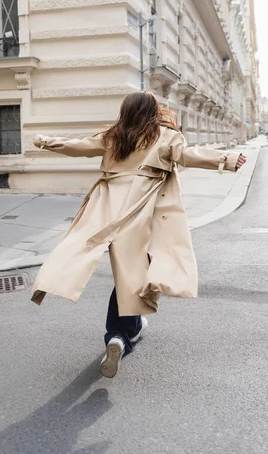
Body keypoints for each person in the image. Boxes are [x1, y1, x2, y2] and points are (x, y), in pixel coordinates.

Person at [31, 91, 246, 378]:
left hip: (106, 212)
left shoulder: (114, 136)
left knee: (99, 262)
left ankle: (121, 332)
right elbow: (188, 155)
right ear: (153, 111)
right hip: (143, 213)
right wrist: (227, 159)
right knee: (136, 275)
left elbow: (79, 146)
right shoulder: (166, 135)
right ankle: (119, 335)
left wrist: (47, 142)